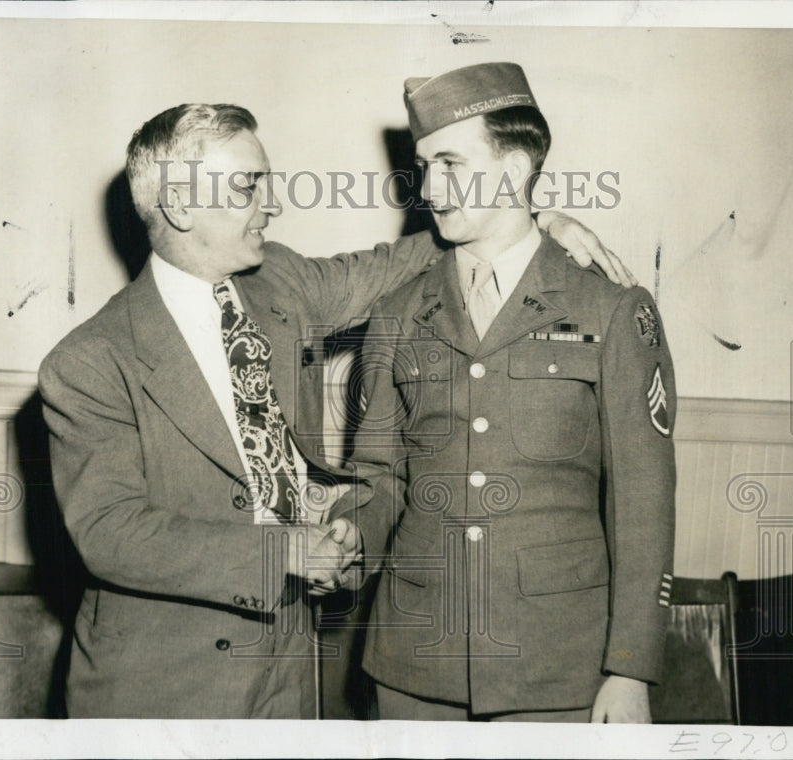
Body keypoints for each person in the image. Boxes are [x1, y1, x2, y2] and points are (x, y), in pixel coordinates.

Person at [38, 102, 631, 719]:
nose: (272, 204)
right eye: (248, 186)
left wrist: (533, 219)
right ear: (180, 206)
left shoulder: (278, 281)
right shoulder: (89, 361)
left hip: (290, 672)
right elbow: (111, 533)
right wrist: (283, 554)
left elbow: (400, 263)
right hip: (163, 685)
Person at [350, 63, 677, 723]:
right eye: (424, 166)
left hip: (559, 669)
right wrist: (344, 534)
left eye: (451, 164)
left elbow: (644, 502)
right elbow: (378, 477)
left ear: (516, 167)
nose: (430, 188)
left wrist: (629, 669)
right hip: (414, 664)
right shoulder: (397, 311)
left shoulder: (611, 308)